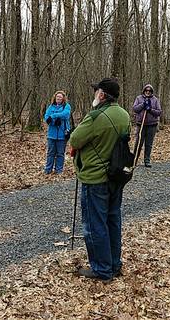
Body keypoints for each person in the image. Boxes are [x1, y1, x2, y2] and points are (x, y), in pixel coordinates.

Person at [69, 78, 130, 282]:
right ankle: (114, 264)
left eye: (96, 92)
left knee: (95, 224)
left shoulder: (96, 116)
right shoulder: (124, 115)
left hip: (95, 177)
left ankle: (102, 269)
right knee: (113, 220)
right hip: (116, 176)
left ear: (102, 95)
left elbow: (76, 139)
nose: (94, 95)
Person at [132, 84, 162, 167]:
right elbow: (135, 109)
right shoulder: (139, 98)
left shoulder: (155, 100)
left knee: (148, 144)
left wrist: (150, 109)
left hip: (152, 125)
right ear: (144, 91)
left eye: (149, 91)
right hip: (141, 124)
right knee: (138, 143)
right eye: (146, 90)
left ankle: (147, 160)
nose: (148, 92)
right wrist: (143, 105)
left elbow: (159, 112)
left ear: (151, 92)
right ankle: (134, 160)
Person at [43, 91, 71, 175]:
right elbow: (46, 117)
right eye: (57, 97)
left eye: (60, 97)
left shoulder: (66, 106)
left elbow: (65, 115)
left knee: (60, 153)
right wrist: (53, 122)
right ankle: (48, 169)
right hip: (51, 134)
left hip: (62, 135)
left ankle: (59, 170)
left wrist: (54, 116)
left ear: (63, 98)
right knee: (50, 153)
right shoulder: (51, 107)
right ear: (55, 98)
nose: (58, 98)